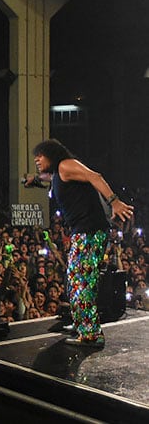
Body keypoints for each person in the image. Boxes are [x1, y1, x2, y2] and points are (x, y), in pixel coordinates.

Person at [29, 139, 134, 347]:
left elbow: (95, 176)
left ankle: (91, 334)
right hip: (84, 232)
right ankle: (82, 324)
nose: (36, 159)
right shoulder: (58, 174)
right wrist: (35, 180)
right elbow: (48, 179)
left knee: (81, 282)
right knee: (76, 280)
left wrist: (115, 202)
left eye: (40, 155)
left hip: (90, 231)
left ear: (52, 154)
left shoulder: (65, 165)